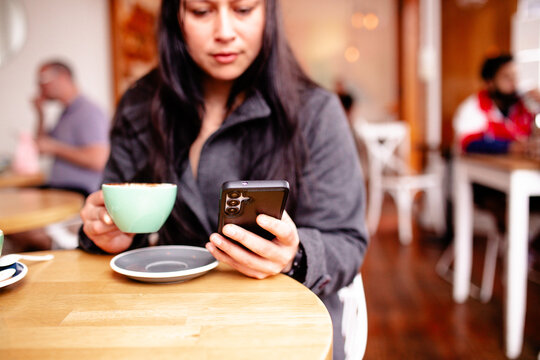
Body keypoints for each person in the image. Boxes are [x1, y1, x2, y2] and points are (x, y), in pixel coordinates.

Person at [78, 1, 369, 359]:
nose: (225, 32)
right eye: (202, 11)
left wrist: (294, 255)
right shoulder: (141, 105)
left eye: (243, 9)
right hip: (166, 327)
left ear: (268, 14)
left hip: (282, 329)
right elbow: (114, 213)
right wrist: (104, 232)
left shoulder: (315, 112)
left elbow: (347, 242)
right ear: (175, 16)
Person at [33, 60, 110, 196]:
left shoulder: (88, 112)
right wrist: (40, 115)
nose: (39, 85)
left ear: (63, 77)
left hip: (80, 192)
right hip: (61, 189)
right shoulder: (66, 113)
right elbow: (41, 147)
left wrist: (55, 148)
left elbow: (99, 160)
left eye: (43, 79)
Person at [453, 54, 539, 155]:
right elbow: (468, 142)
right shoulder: (473, 107)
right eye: (506, 77)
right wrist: (508, 147)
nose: (514, 83)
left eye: (515, 76)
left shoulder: (523, 105)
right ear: (490, 83)